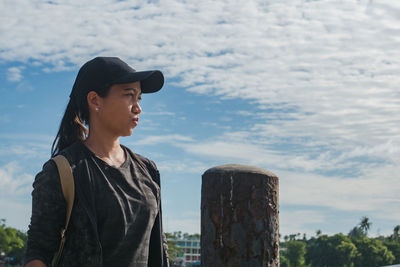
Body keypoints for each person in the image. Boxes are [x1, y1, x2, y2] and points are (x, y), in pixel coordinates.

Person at [24, 57, 169, 267]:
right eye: (129, 95)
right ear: (94, 100)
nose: (137, 107)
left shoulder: (148, 170)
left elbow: (159, 247)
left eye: (139, 98)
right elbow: (39, 252)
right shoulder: (63, 171)